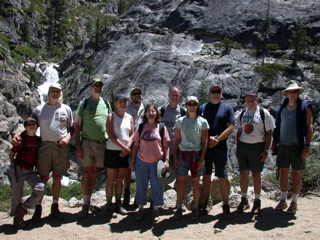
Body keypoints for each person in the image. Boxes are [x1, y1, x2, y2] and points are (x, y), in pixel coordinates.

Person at [31, 83, 74, 220]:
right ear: (49, 93)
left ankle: (55, 207)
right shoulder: (39, 109)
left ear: (60, 93)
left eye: (57, 91)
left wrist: (67, 138)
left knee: (57, 177)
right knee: (43, 177)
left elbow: (72, 128)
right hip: (44, 146)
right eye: (53, 91)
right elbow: (30, 126)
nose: (55, 93)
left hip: (61, 147)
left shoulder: (66, 109)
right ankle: (38, 208)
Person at [272, 80, 313, 215]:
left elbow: (310, 127)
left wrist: (307, 145)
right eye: (290, 91)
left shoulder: (304, 107)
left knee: (296, 174)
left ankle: (294, 202)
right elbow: (277, 126)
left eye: (295, 91)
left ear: (298, 93)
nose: (292, 94)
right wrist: (274, 142)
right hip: (283, 145)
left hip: (297, 146)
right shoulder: (283, 107)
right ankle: (283, 200)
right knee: (283, 173)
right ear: (287, 94)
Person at [74, 78, 111, 219]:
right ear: (90, 87)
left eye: (100, 86)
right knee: (86, 172)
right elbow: (77, 125)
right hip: (87, 142)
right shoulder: (84, 103)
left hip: (102, 143)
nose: (98, 88)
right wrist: (78, 145)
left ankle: (88, 202)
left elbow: (109, 123)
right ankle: (85, 204)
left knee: (95, 171)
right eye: (95, 86)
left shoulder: (106, 103)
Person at [236, 91, 275, 214]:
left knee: (256, 175)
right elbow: (239, 131)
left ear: (257, 100)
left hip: (257, 147)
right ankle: (244, 199)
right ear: (245, 101)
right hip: (244, 146)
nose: (250, 102)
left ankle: (257, 201)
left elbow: (269, 133)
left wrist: (265, 150)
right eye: (248, 100)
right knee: (243, 174)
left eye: (252, 99)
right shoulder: (242, 114)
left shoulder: (264, 114)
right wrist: (238, 148)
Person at [130, 104, 170, 222]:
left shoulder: (161, 127)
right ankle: (141, 208)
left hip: (157, 162)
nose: (151, 113)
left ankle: (156, 209)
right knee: (141, 185)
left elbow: (166, 146)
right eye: (149, 111)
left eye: (153, 111)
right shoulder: (141, 127)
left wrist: (167, 160)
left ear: (157, 113)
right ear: (145, 114)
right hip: (141, 161)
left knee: (157, 186)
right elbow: (135, 145)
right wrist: (132, 161)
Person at [200, 84, 235, 219]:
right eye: (213, 91)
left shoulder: (227, 108)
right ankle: (207, 201)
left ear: (221, 94)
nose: (215, 94)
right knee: (206, 174)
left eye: (218, 92)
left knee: (222, 175)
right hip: (206, 146)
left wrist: (218, 139)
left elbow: (231, 127)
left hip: (220, 147)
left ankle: (225, 204)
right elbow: (198, 124)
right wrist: (207, 138)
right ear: (209, 94)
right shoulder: (203, 108)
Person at [173, 96, 209, 221]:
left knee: (196, 183)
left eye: (194, 104)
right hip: (182, 155)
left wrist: (202, 158)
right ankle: (178, 207)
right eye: (189, 104)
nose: (192, 106)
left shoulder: (203, 122)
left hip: (196, 155)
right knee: (181, 183)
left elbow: (204, 142)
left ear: (197, 106)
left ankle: (195, 208)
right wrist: (175, 157)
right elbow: (177, 139)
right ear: (186, 106)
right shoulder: (181, 121)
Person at [9, 118, 46, 228]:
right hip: (18, 169)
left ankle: (23, 208)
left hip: (29, 170)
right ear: (25, 127)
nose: (31, 126)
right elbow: (11, 155)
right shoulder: (20, 139)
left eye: (33, 124)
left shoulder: (38, 140)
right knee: (16, 195)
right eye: (29, 124)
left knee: (41, 188)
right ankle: (18, 219)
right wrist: (15, 168)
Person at [105, 94, 134, 217]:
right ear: (115, 103)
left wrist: (126, 148)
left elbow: (132, 134)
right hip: (112, 151)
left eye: (125, 101)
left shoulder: (130, 118)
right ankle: (109, 205)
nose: (123, 103)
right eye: (120, 101)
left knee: (120, 179)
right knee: (111, 179)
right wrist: (124, 148)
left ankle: (118, 204)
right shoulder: (111, 116)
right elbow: (111, 135)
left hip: (125, 151)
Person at [123, 87, 145, 206]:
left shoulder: (146, 109)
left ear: (142, 95)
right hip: (128, 142)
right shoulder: (126, 108)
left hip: (142, 143)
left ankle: (138, 196)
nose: (137, 95)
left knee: (140, 170)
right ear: (131, 96)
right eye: (134, 94)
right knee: (127, 169)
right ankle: (126, 195)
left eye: (139, 93)